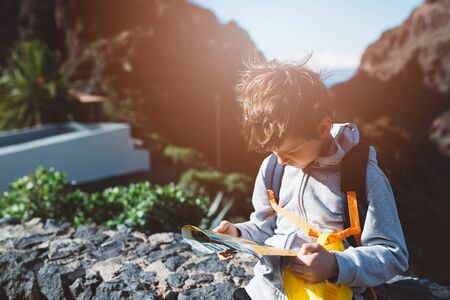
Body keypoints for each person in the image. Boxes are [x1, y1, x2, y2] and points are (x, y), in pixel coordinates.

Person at [213, 56, 409, 300]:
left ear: (322, 128)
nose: (281, 160)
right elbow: (266, 228)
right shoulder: (273, 168)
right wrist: (238, 234)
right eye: (275, 151)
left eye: (290, 151)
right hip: (264, 292)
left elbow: (393, 254)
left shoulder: (363, 177)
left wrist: (336, 265)